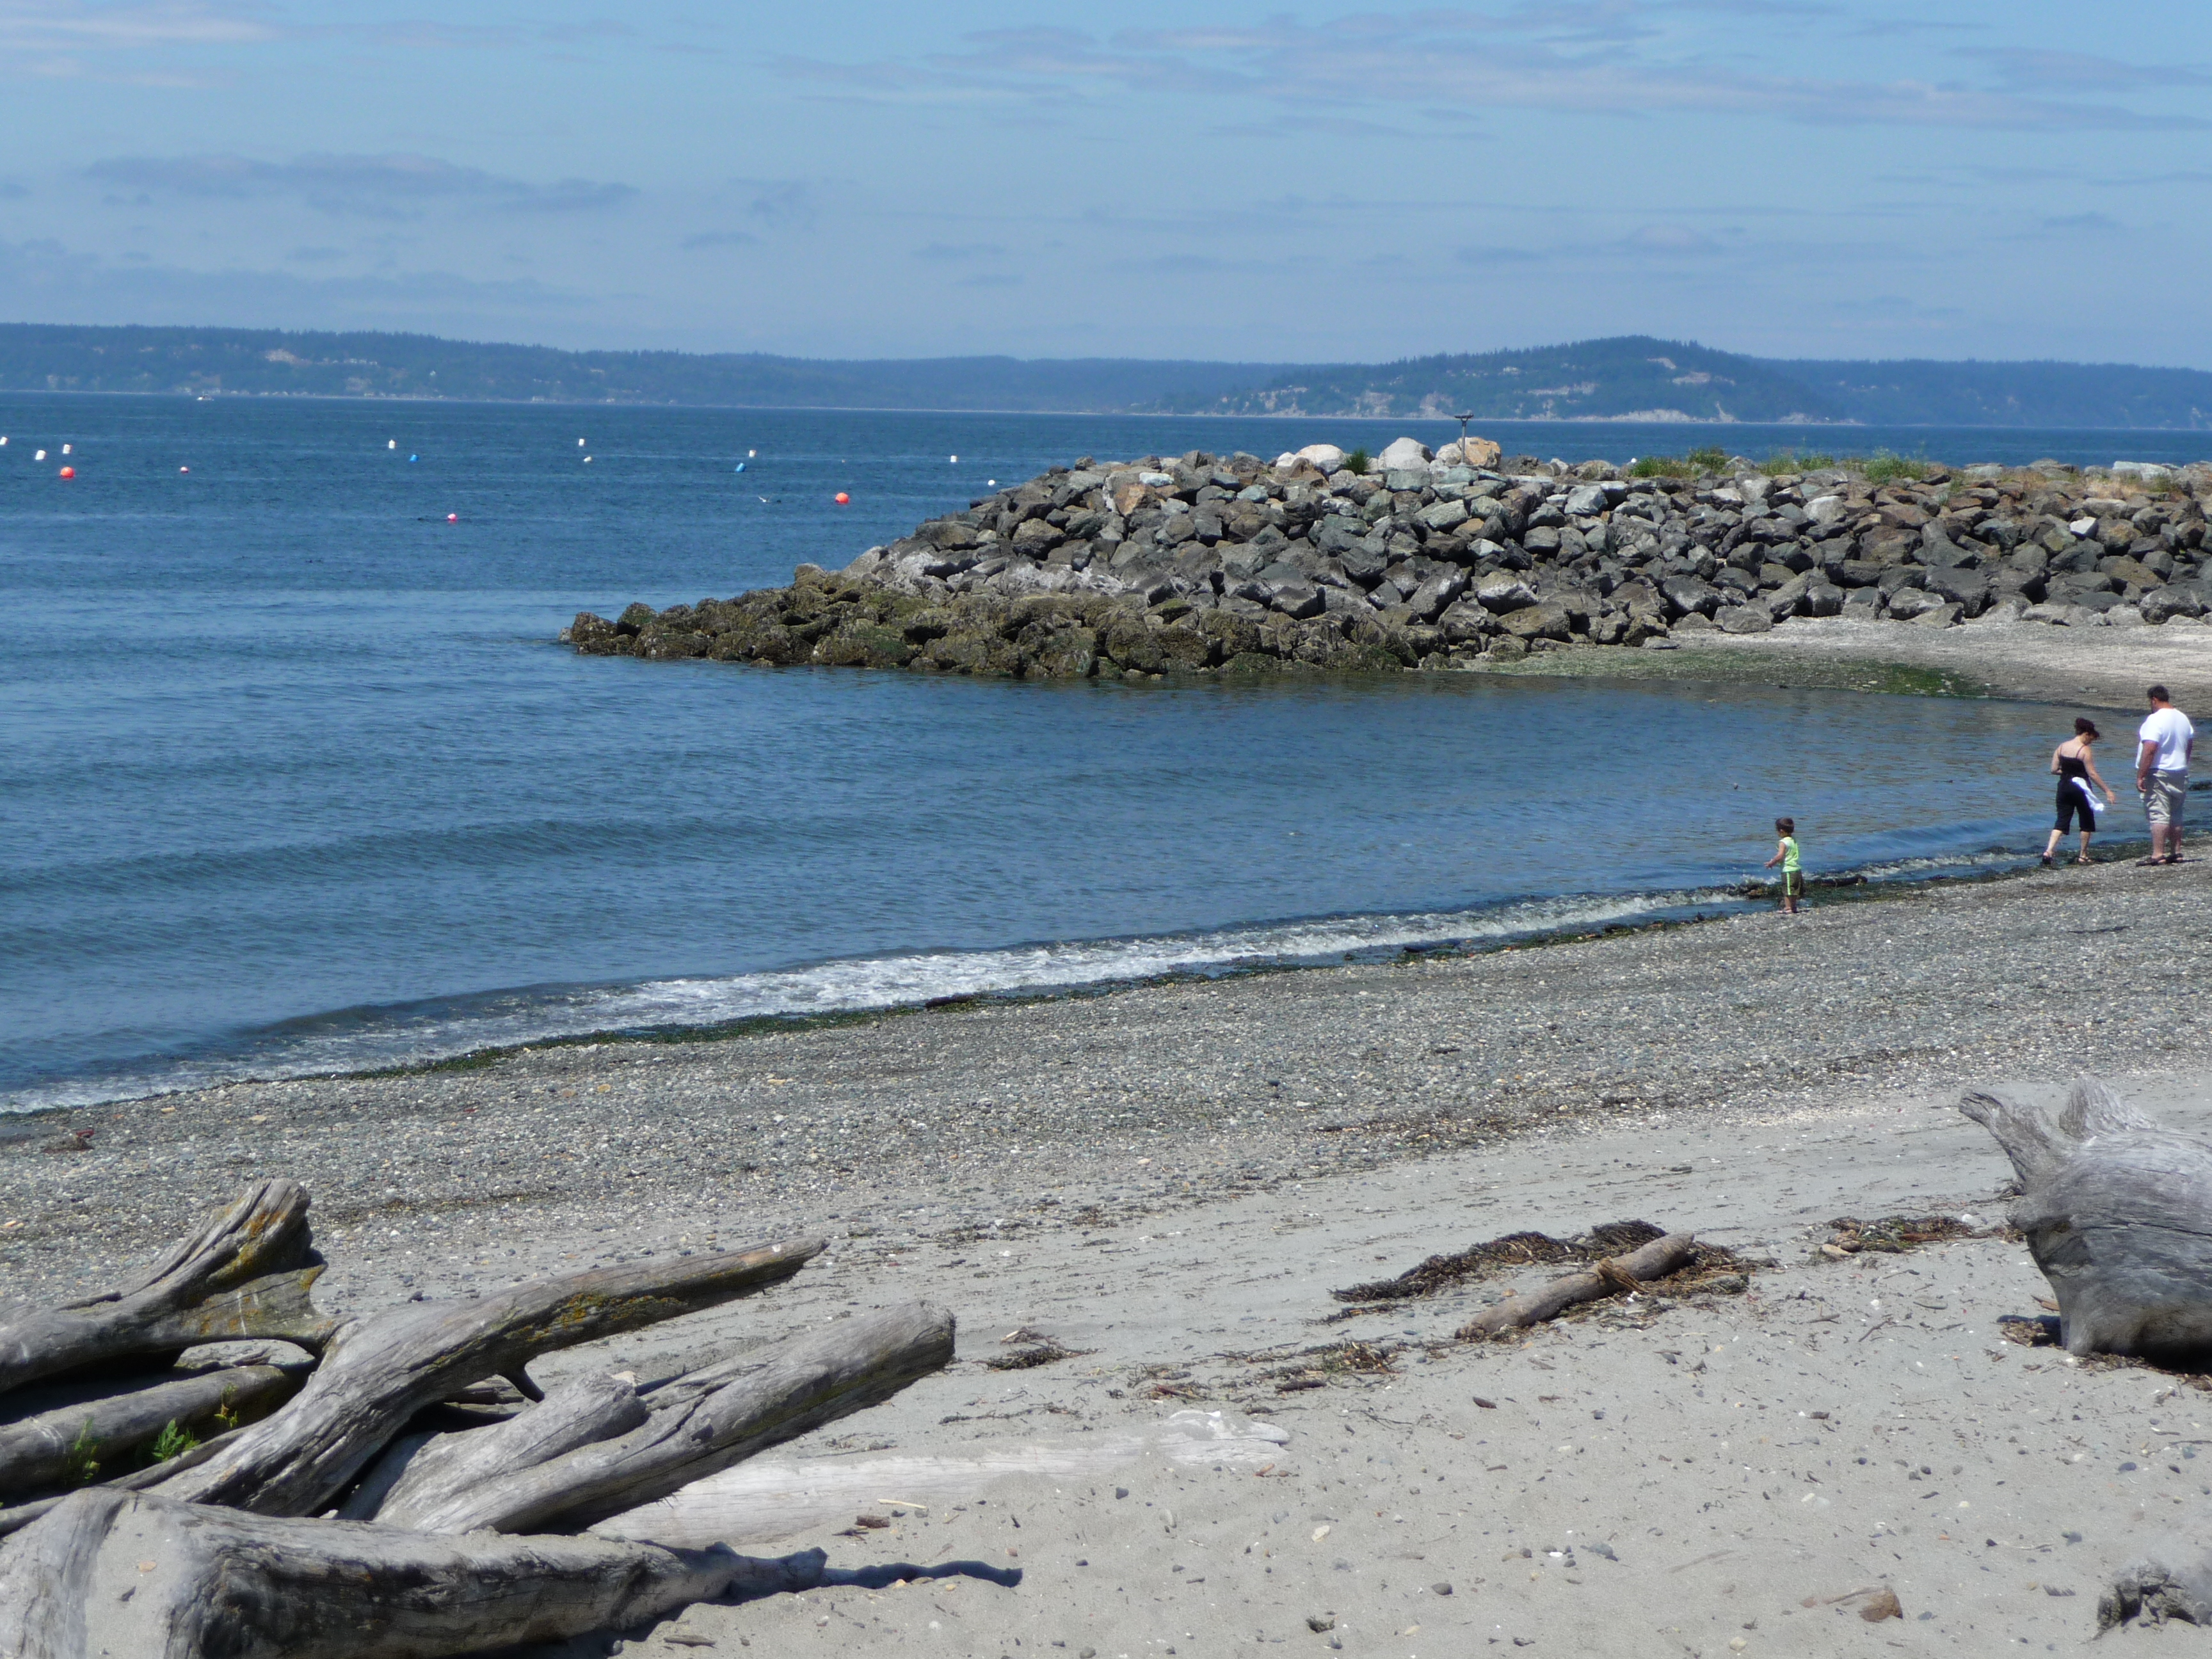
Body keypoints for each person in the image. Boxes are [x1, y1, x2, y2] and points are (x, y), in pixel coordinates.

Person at [2135, 685, 2195, 865]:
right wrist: (2184, 762)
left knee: (2158, 813)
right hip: (2180, 770)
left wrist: (2141, 775)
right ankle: (2176, 852)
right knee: (2176, 812)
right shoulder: (2183, 718)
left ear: (2154, 700)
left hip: (2159, 771)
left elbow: (2150, 749)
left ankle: (2158, 854)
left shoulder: (2155, 720)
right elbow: (2189, 744)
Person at [2044, 717, 2115, 866]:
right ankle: (2083, 855)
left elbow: (2054, 770)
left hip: (2064, 786)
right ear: (2086, 734)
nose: (2091, 742)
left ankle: (2049, 851)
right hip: (2081, 788)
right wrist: (2107, 791)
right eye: (2091, 739)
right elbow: (2092, 774)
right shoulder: (2084, 750)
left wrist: (2068, 773)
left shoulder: (2062, 747)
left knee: (2062, 820)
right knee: (2086, 820)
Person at [1763, 815, 1804, 914]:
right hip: (1797, 868)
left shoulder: (1783, 842)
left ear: (1781, 831)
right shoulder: (1793, 839)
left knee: (1787, 890)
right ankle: (1793, 907)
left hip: (1788, 869)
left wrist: (1771, 863)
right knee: (1794, 889)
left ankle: (1788, 908)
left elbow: (1780, 856)